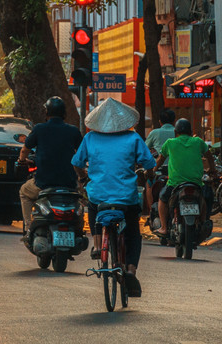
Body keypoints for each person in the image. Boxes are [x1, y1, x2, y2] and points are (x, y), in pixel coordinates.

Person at [71, 98, 155, 298]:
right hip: (126, 197)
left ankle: (99, 246)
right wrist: (149, 175)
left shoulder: (90, 138)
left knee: (93, 207)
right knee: (133, 231)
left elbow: (77, 163)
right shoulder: (133, 138)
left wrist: (84, 177)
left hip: (99, 196)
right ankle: (131, 271)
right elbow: (149, 164)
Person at [17, 97, 83, 234]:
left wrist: (22, 160)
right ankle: (78, 229)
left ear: (46, 113)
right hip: (69, 185)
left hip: (43, 185)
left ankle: (29, 228)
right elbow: (81, 156)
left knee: (24, 191)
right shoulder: (73, 131)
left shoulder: (40, 129)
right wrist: (82, 176)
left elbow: (24, 150)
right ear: (64, 114)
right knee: (80, 200)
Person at [153, 118, 218, 237]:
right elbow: (209, 156)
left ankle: (164, 227)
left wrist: (153, 170)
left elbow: (160, 160)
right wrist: (212, 170)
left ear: (176, 131)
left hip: (174, 184)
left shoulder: (170, 143)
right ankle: (203, 222)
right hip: (196, 183)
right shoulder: (198, 142)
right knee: (202, 198)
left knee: (162, 199)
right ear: (190, 131)